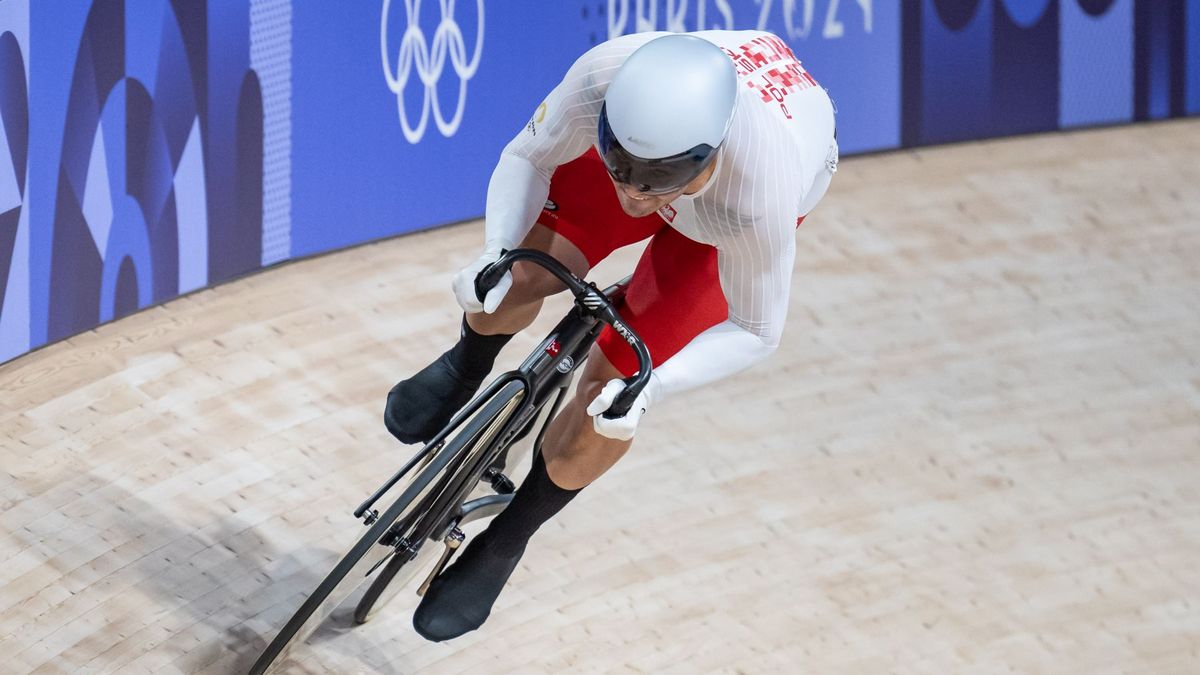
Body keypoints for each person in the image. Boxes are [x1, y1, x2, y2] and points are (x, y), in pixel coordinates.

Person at [384, 29, 838, 641]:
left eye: (652, 183)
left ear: (706, 158)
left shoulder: (760, 192)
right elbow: (528, 157)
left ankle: (505, 542)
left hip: (720, 224)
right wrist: (493, 253)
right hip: (677, 165)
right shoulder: (604, 77)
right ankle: (467, 363)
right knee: (520, 276)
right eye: (622, 171)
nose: (631, 198)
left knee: (611, 397)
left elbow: (757, 330)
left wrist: (652, 389)